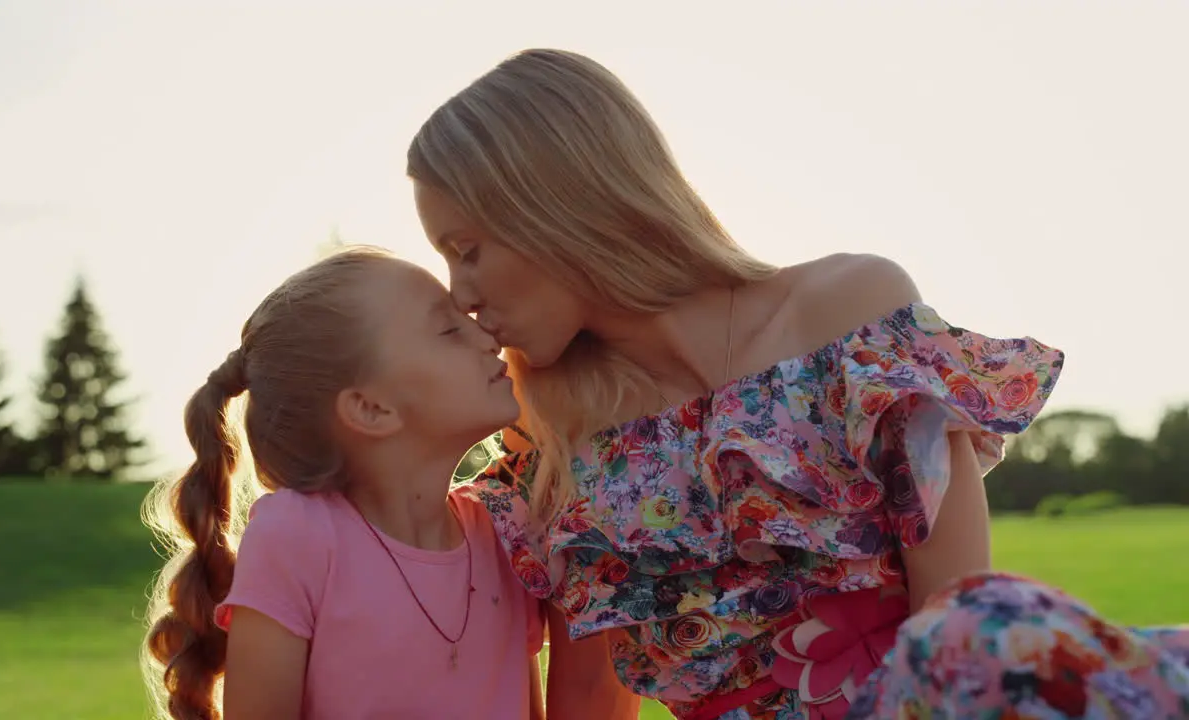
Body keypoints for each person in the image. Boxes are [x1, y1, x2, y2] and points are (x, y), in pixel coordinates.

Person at [407, 48, 1189, 719]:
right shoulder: (551, 436)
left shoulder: (849, 315)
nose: (461, 291)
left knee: (983, 629)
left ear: (552, 203)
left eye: (466, 248)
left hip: (941, 696)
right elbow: (587, 703)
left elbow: (960, 609)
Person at [141, 247, 547, 720]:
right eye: (449, 330)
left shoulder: (506, 531)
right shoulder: (298, 536)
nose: (488, 338)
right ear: (371, 409)